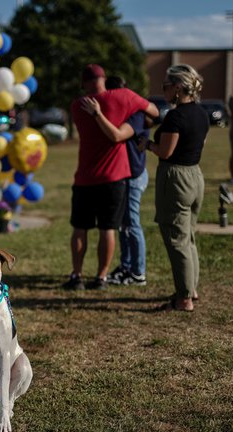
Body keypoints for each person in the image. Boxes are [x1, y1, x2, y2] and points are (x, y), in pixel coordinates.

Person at [63, 64, 158, 290]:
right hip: (114, 177)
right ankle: (101, 277)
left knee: (80, 228)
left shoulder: (77, 106)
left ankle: (77, 276)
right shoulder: (124, 96)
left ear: (84, 83)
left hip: (85, 177)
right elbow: (153, 112)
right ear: (104, 79)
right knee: (108, 229)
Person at [138, 64, 209, 312]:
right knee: (188, 235)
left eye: (166, 86)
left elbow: (165, 151)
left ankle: (184, 298)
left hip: (176, 177)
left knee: (177, 239)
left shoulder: (176, 117)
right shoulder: (201, 113)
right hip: (195, 175)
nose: (163, 90)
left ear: (178, 88)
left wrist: (147, 144)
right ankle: (191, 289)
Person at [80, 76, 150, 286]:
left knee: (131, 223)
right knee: (122, 224)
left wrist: (97, 113)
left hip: (134, 175)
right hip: (120, 176)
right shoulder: (118, 114)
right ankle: (126, 266)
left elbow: (117, 136)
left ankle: (138, 272)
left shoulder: (135, 116)